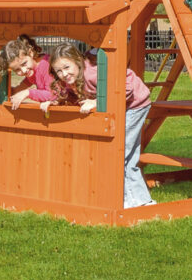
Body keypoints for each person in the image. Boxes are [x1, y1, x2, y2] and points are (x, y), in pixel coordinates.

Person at [49, 42, 156, 208]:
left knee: (120, 152)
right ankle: (137, 200)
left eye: (66, 67)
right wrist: (59, 101)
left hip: (135, 104)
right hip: (122, 105)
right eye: (59, 71)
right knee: (124, 154)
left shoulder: (92, 72)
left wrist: (96, 102)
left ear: (77, 61)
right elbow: (73, 94)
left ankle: (136, 201)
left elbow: (125, 88)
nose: (64, 73)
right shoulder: (73, 78)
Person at [0, 34, 55, 110]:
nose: (24, 70)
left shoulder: (46, 65)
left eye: (24, 63)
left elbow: (53, 94)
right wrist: (14, 91)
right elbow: (29, 81)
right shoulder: (32, 69)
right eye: (17, 70)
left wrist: (27, 93)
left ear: (30, 53)